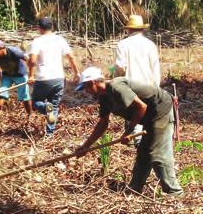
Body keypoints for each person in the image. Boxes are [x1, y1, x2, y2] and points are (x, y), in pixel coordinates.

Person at [74, 67, 183, 197]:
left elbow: (141, 106)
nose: (86, 92)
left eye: (86, 88)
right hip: (149, 117)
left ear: (92, 83)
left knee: (157, 153)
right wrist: (86, 146)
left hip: (160, 110)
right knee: (144, 153)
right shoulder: (104, 97)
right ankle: (135, 189)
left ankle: (174, 192)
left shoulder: (116, 87)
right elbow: (102, 124)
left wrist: (129, 131)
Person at [27, 17, 80, 136]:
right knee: (54, 107)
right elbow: (71, 57)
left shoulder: (37, 41)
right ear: (52, 27)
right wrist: (76, 72)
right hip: (58, 78)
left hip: (43, 79)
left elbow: (33, 60)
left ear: (39, 28)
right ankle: (50, 134)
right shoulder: (60, 40)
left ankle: (46, 107)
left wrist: (30, 75)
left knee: (36, 102)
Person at [114, 14, 161, 146]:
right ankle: (139, 143)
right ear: (142, 29)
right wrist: (156, 89)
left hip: (130, 86)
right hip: (148, 87)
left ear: (128, 29)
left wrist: (118, 82)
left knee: (132, 114)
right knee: (145, 116)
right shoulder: (150, 45)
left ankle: (135, 143)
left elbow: (119, 66)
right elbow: (155, 69)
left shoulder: (123, 44)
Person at [0, 40, 32, 117]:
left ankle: (30, 115)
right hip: (7, 76)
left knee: (25, 97)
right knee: (0, 94)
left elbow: (29, 60)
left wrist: (31, 75)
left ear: (2, 48)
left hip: (20, 75)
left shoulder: (14, 51)